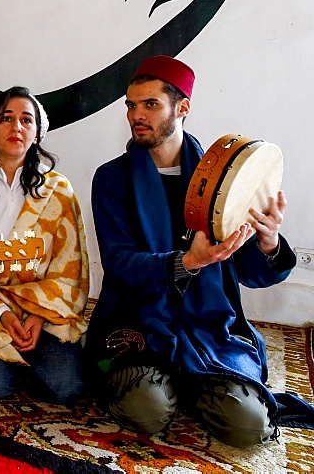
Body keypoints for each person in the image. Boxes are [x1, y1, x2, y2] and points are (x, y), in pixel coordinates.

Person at [85, 55, 312, 447]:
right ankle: (176, 386)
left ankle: (194, 379)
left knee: (249, 428)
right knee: (148, 414)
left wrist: (268, 240)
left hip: (209, 325)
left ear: (182, 108)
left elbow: (253, 273)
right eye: (131, 105)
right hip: (139, 320)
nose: (136, 115)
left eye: (150, 104)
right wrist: (188, 262)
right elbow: (119, 263)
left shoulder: (225, 180)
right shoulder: (112, 178)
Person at [0, 86, 89, 406]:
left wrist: (36, 317)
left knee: (67, 388)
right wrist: (4, 315)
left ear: (37, 133)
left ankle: (27, 362)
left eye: (26, 120)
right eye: (6, 119)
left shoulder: (58, 190)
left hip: (42, 309)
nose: (16, 127)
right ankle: (14, 364)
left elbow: (69, 269)